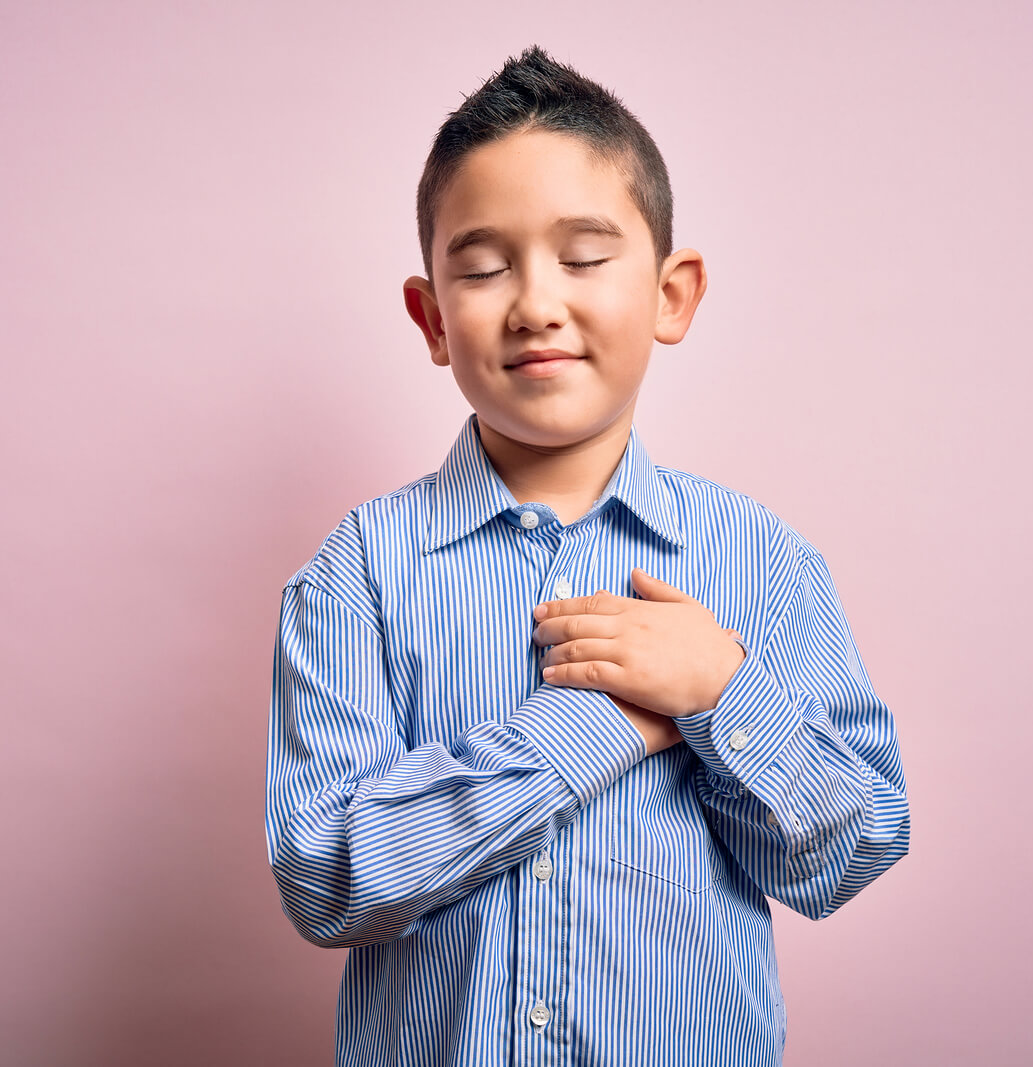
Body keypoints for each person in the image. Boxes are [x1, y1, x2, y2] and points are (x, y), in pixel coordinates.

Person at [265, 45, 909, 1066]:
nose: (533, 302)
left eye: (582, 256)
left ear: (670, 293)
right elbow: (326, 876)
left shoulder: (760, 560)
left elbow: (850, 850)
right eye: (481, 267)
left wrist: (720, 692)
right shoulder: (360, 571)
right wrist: (590, 725)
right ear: (432, 317)